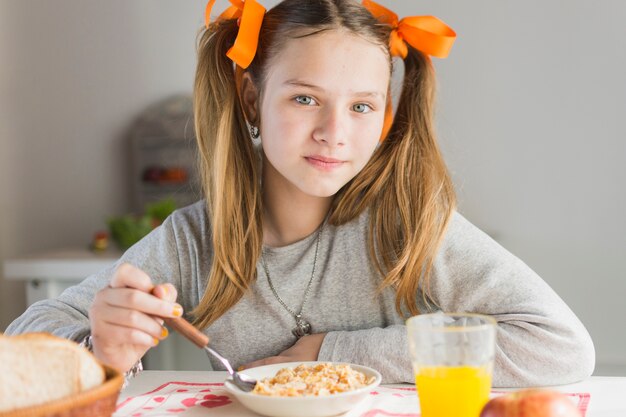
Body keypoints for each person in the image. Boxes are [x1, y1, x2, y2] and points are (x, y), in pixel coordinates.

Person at [6, 0, 595, 387]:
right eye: (305, 98)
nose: (334, 133)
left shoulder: (408, 226)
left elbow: (561, 346)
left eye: (361, 106)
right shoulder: (191, 243)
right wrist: (100, 345)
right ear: (249, 99)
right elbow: (26, 338)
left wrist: (328, 352)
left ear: (384, 117)